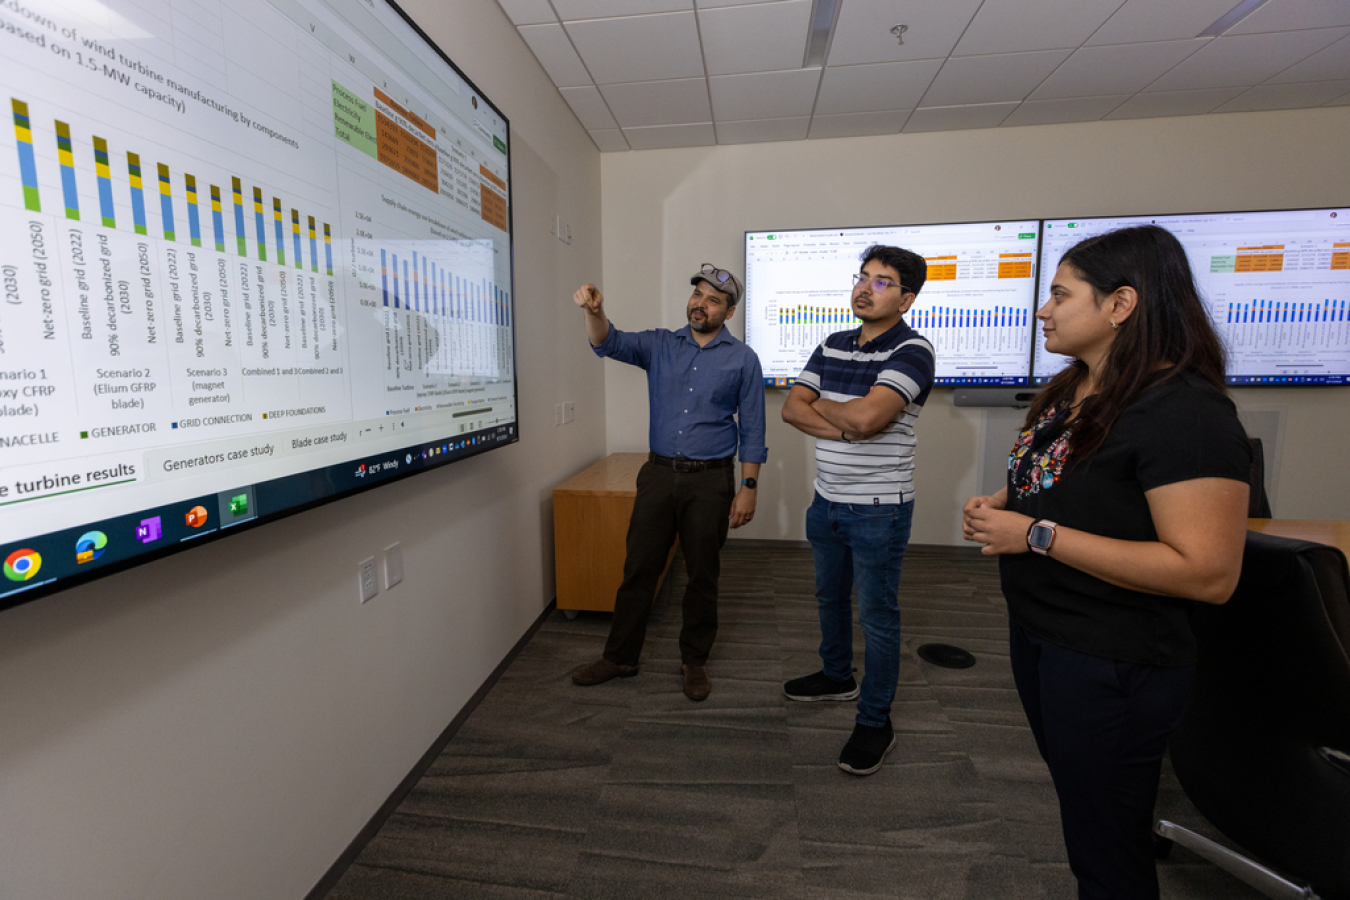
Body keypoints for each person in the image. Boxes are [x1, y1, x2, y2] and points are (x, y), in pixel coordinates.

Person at [962, 225, 1251, 899]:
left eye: (1060, 294)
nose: (1044, 309)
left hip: (1112, 657)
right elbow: (1070, 480)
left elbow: (1208, 572)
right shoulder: (1077, 388)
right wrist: (1008, 500)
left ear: (1120, 305)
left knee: (1108, 848)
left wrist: (1032, 534)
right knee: (1090, 814)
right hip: (1048, 635)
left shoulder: (1186, 412)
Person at [570, 265, 767, 702]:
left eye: (714, 299)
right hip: (658, 476)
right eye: (698, 294)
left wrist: (748, 486)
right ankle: (620, 657)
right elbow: (608, 342)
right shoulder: (660, 343)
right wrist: (595, 312)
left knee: (702, 576)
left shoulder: (743, 360)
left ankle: (694, 662)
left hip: (711, 481)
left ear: (729, 310)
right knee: (639, 570)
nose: (701, 303)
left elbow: (754, 428)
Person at [781, 244, 935, 776]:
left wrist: (838, 412)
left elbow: (868, 420)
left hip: (878, 510)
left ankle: (875, 720)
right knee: (828, 597)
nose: (866, 288)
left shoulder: (914, 351)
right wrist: (850, 417)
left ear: (907, 297)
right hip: (826, 502)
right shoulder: (832, 343)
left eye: (883, 281)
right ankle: (836, 676)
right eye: (863, 277)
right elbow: (789, 409)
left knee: (877, 616)